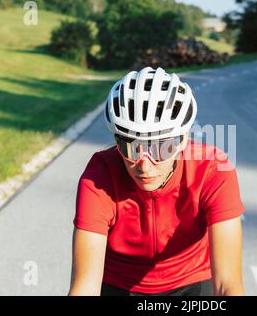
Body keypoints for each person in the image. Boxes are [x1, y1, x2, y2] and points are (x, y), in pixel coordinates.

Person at [68, 66, 245, 296]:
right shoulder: (100, 175)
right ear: (116, 141)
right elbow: (85, 287)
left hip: (191, 283)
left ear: (182, 140)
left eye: (161, 147)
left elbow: (228, 285)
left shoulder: (212, 170)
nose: (144, 165)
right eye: (130, 147)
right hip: (118, 285)